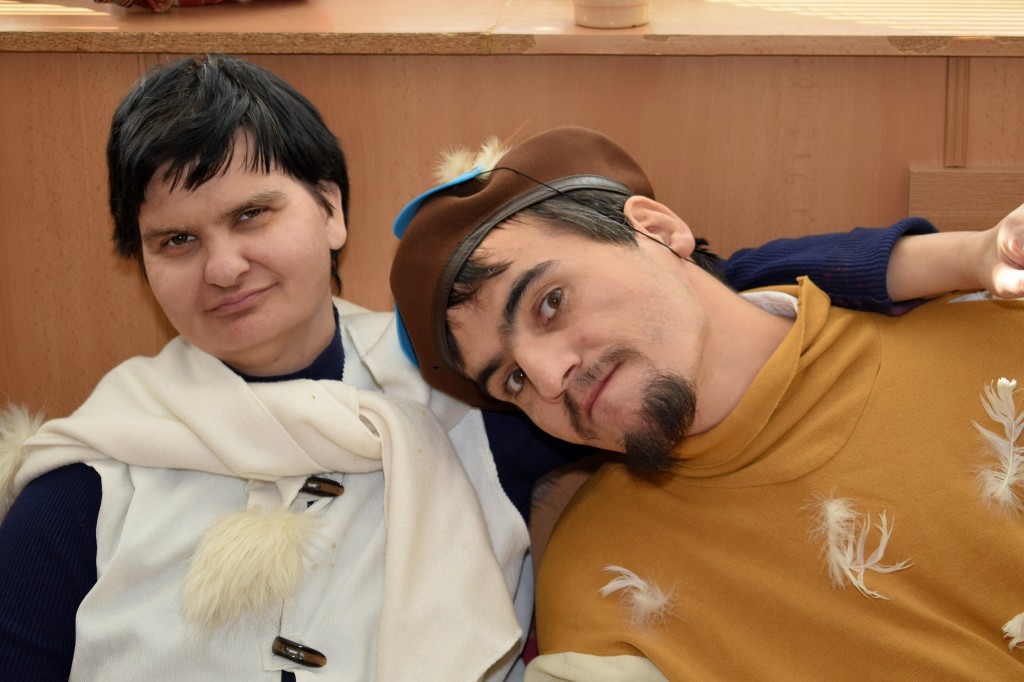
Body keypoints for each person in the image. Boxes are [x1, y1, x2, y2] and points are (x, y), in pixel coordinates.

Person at [0, 57, 983, 679]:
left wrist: (949, 258)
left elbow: (701, 294)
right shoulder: (89, 475)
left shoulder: (469, 395)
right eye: (174, 241)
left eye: (253, 214)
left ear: (331, 210)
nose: (223, 267)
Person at [389, 126, 1024, 679]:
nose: (549, 377)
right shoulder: (598, 581)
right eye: (512, 381)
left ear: (657, 230)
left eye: (550, 302)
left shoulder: (997, 339)